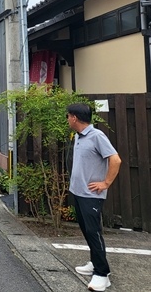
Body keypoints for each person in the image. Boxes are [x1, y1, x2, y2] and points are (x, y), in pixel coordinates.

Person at [67, 103, 121, 292]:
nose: (67, 120)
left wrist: (105, 183)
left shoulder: (97, 136)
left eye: (68, 116)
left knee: (93, 232)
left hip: (91, 195)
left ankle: (102, 273)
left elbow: (115, 159)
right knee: (86, 230)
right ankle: (94, 262)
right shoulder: (78, 136)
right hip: (78, 192)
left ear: (74, 118)